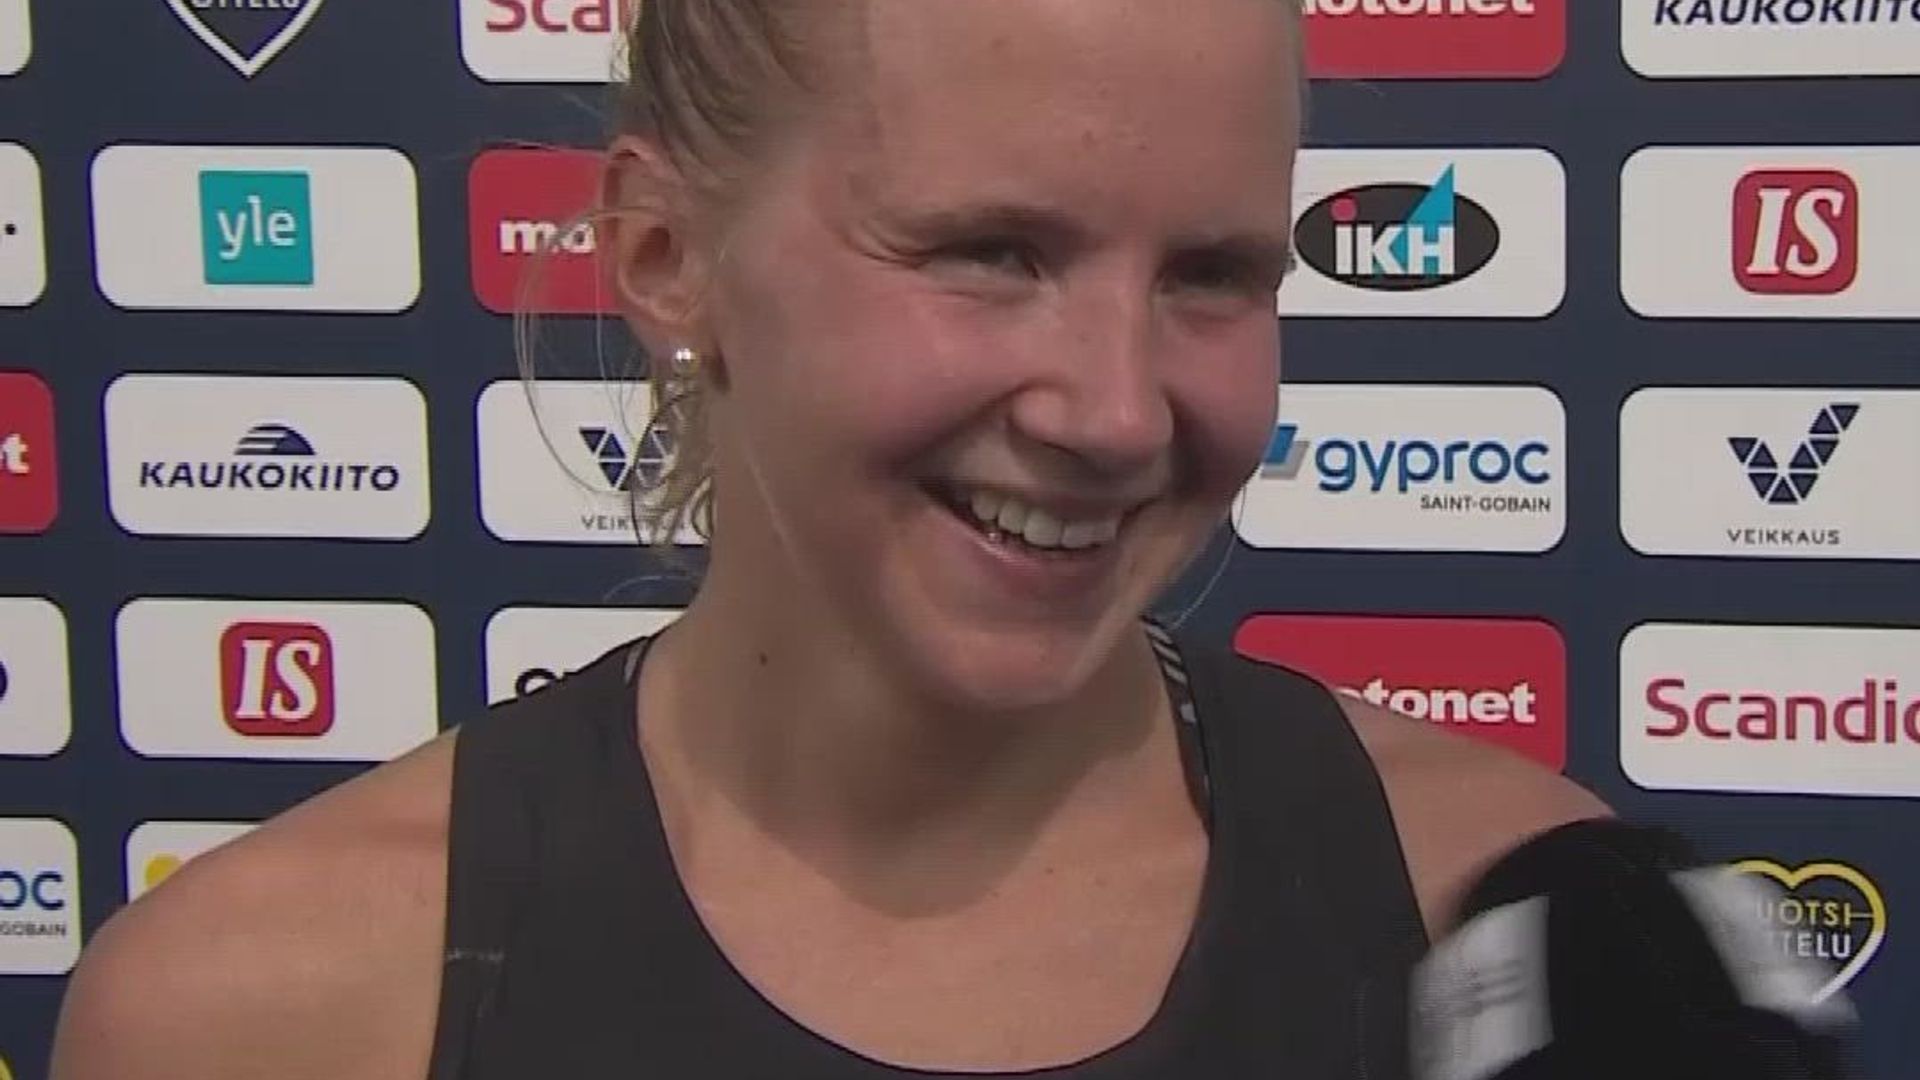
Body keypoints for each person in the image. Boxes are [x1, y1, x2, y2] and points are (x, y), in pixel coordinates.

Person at [51, 1, 1608, 1077]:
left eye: (1210, 274)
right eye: (991, 251)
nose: (1119, 411)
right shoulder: (258, 1013)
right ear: (665, 254)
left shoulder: (1516, 921)